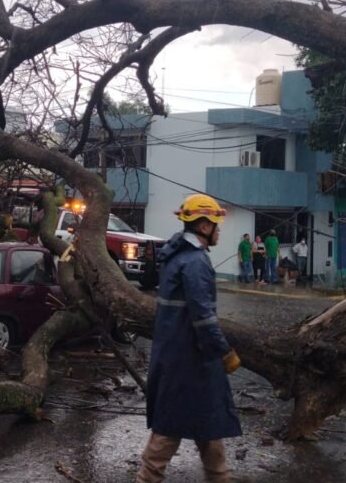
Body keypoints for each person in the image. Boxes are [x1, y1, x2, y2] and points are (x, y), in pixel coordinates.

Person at [136, 194, 242, 483]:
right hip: (189, 362)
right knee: (169, 431)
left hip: (183, 357)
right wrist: (224, 351)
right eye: (217, 224)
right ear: (204, 226)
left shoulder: (176, 256)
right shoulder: (194, 262)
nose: (220, 230)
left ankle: (220, 477)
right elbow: (203, 317)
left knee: (210, 429)